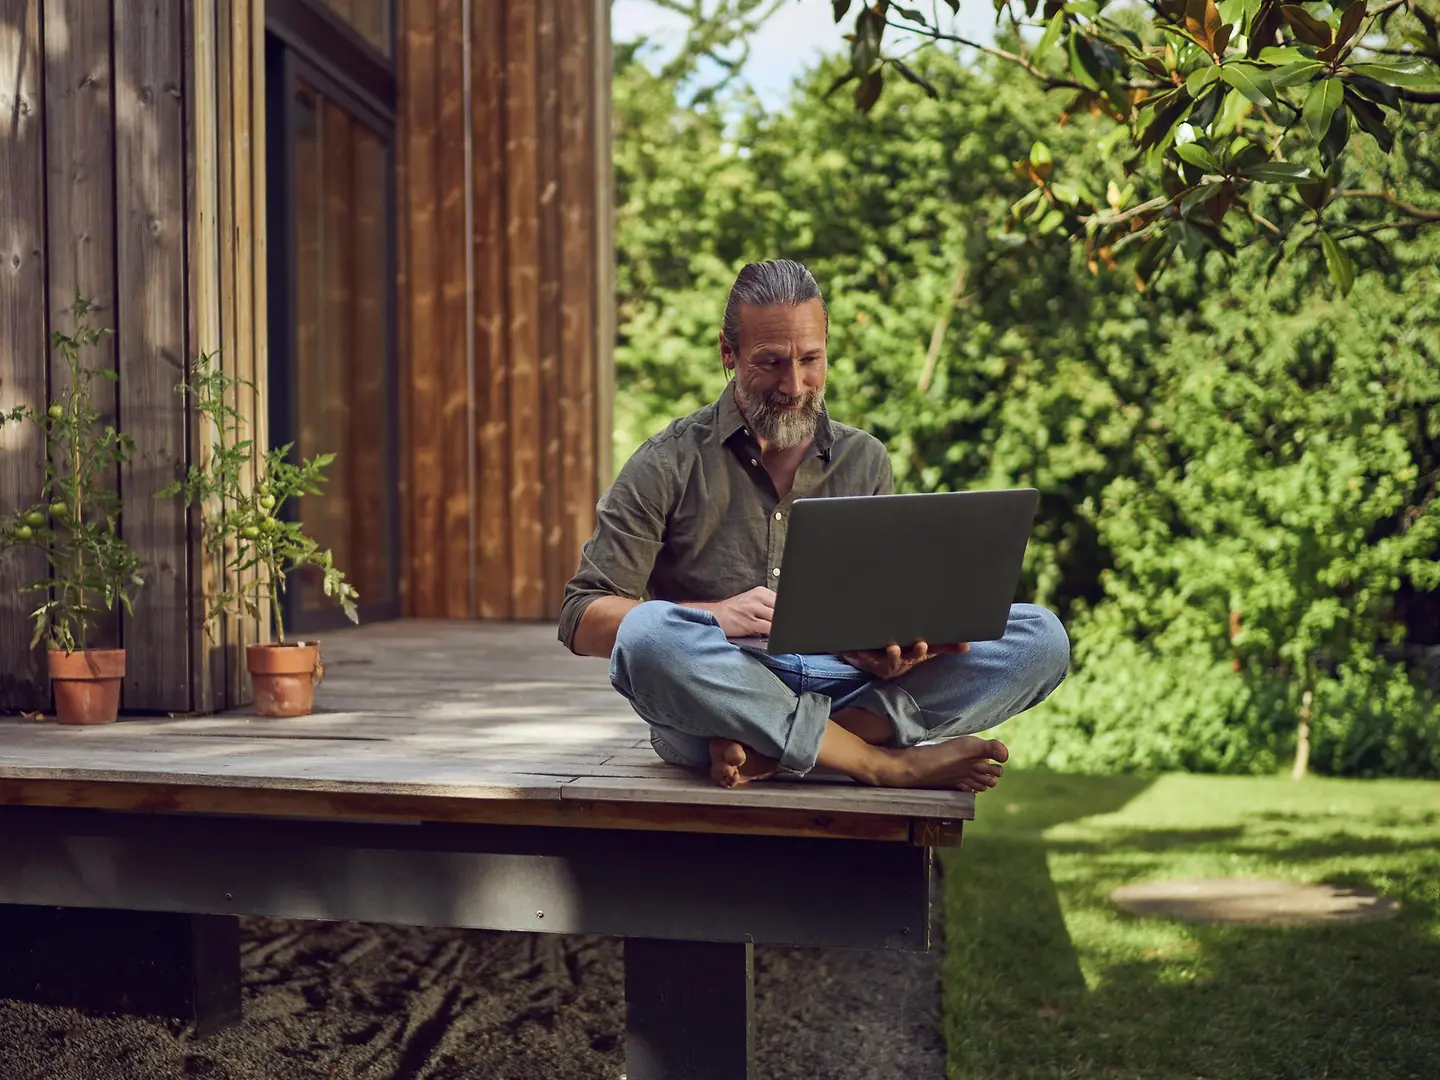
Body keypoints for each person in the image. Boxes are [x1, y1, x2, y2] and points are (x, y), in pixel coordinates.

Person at [559, 259, 1069, 792]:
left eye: (810, 359)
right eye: (772, 362)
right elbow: (581, 617)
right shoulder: (667, 462)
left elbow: (881, 612)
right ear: (728, 354)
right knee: (647, 637)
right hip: (719, 694)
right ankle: (880, 763)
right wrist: (716, 616)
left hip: (845, 687)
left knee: (1040, 638)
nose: (795, 384)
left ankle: (780, 751)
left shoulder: (865, 458)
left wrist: (890, 652)